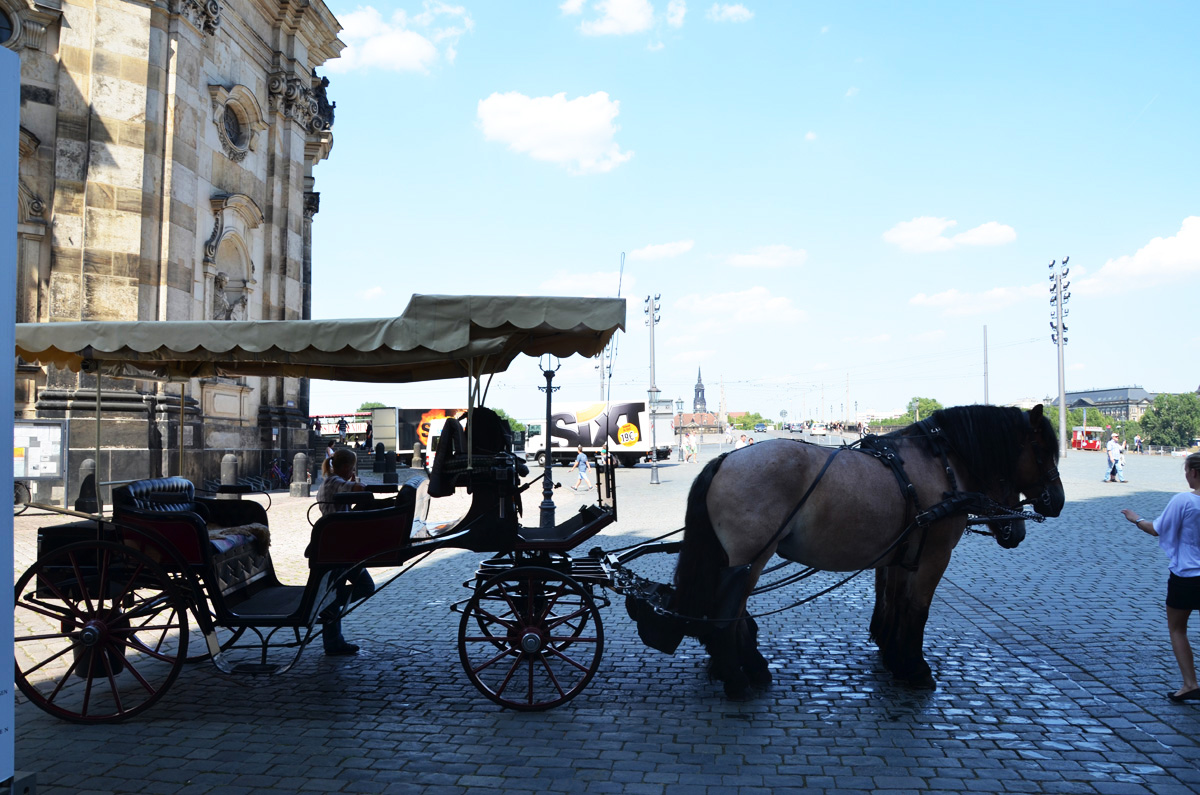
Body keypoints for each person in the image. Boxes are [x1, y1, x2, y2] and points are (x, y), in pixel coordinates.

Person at [1120, 453, 1200, 702]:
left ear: (1194, 473)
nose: (1185, 475)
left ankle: (1190, 684)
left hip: (1186, 576)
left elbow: (1156, 529)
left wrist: (1136, 519)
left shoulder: (1184, 501)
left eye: (1186, 471)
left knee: (1177, 629)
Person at [315, 448, 371, 655]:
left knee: (338, 590)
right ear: (347, 467)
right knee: (365, 586)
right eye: (352, 467)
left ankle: (333, 638)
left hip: (340, 545)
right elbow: (360, 489)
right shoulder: (334, 482)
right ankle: (325, 608)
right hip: (337, 547)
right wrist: (356, 481)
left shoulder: (333, 482)